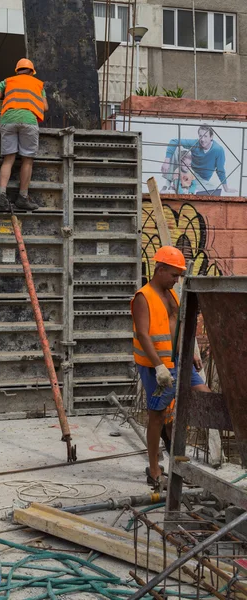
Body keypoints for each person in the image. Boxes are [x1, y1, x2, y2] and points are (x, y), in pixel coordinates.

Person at [131, 246, 210, 490]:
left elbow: (179, 325)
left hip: (179, 362)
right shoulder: (143, 297)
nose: (177, 280)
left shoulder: (171, 294)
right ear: (160, 269)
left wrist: (192, 352)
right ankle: (154, 470)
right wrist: (159, 367)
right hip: (158, 367)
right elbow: (143, 335)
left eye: (179, 276)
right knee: (156, 416)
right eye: (174, 275)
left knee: (205, 397)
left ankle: (174, 452)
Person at [0, 58, 49, 212]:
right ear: (31, 71)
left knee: (8, 159)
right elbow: (45, 107)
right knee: (27, 160)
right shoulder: (38, 84)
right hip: (28, 120)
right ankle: (22, 197)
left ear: (17, 70)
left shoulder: (7, 81)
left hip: (8, 120)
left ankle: (2, 194)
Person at [161, 125, 237, 195]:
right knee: (176, 148)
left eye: (205, 136)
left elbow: (220, 170)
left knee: (214, 190)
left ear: (211, 137)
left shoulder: (218, 150)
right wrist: (166, 161)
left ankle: (182, 188)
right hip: (188, 171)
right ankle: (167, 184)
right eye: (200, 136)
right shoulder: (196, 143)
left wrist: (226, 188)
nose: (202, 139)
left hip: (201, 179)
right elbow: (174, 141)